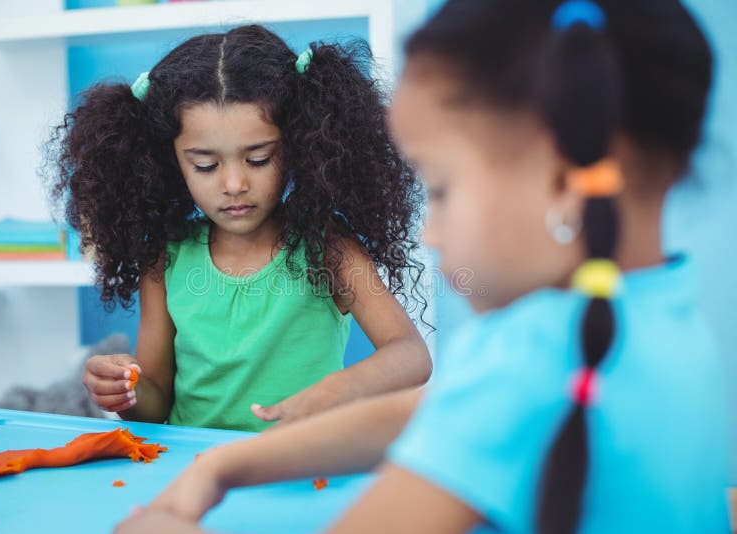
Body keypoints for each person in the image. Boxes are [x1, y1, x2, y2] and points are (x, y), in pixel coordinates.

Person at [116, 1, 731, 532]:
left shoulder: (532, 363)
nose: (432, 232)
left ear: (564, 182)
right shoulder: (654, 315)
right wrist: (227, 464)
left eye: (440, 189)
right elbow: (433, 410)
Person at [47, 24, 432, 432]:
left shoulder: (327, 248)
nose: (234, 185)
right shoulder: (166, 257)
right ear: (168, 163)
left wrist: (339, 390)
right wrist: (127, 391)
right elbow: (156, 400)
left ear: (300, 145)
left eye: (259, 158)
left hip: (298, 465)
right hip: (192, 467)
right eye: (206, 165)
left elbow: (410, 355)